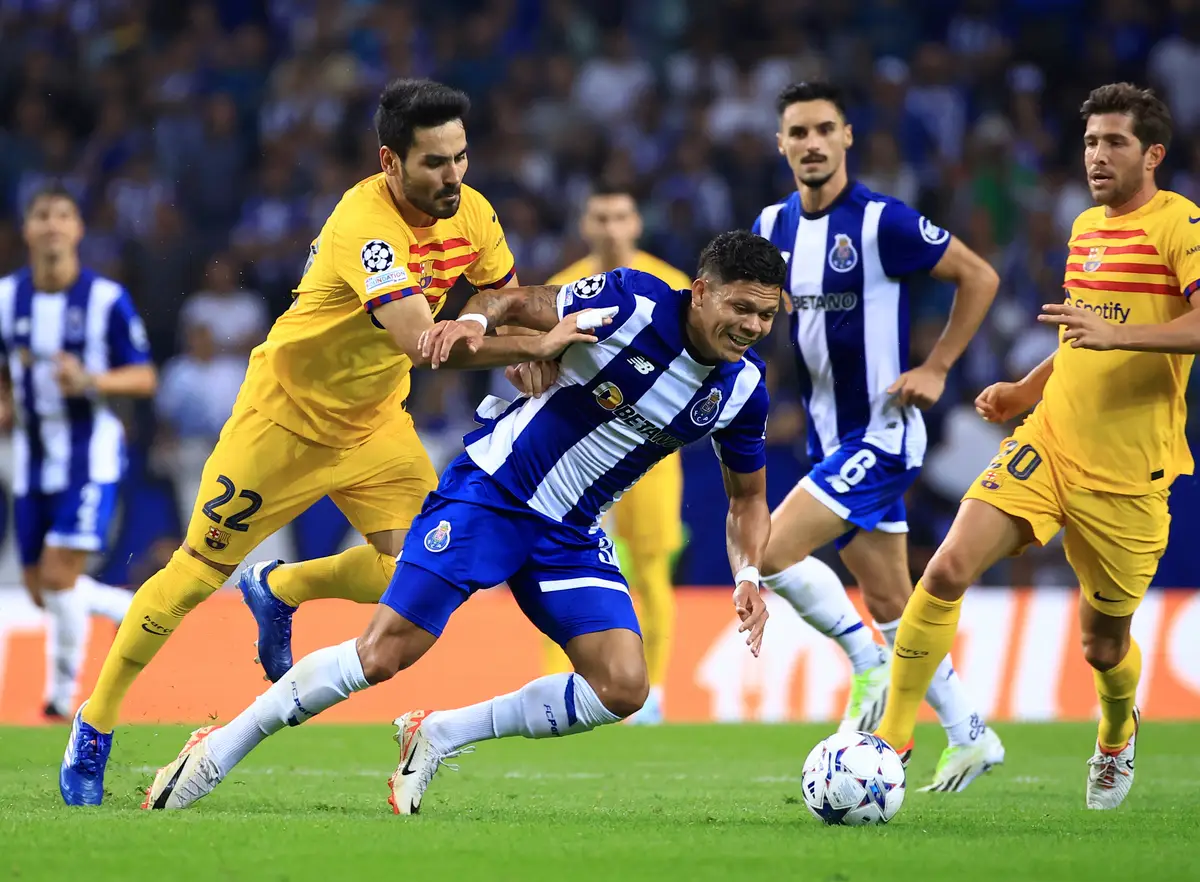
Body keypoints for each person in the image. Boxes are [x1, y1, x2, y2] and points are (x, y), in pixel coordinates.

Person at [59, 79, 583, 806]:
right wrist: (538, 342)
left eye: (461, 158)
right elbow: (421, 342)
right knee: (191, 577)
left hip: (373, 424)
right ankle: (96, 719)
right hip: (283, 424)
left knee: (415, 569)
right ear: (390, 162)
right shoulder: (363, 227)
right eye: (434, 163)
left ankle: (280, 588)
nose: (453, 177)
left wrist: (504, 329)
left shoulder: (476, 212)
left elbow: (499, 294)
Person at [142, 230, 782, 813]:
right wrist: (482, 321)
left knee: (621, 687)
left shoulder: (743, 391)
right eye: (741, 308)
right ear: (701, 292)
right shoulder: (632, 305)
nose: (752, 326)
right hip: (494, 494)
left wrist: (748, 571)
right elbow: (518, 300)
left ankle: (439, 734)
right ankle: (216, 749)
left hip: (571, 533)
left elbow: (747, 499)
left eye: (766, 315)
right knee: (384, 654)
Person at [877, 83, 1199, 810]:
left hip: (1129, 475)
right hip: (1050, 442)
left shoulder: (1183, 226)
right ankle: (891, 738)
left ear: (1153, 153)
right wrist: (1028, 387)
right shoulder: (1086, 227)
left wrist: (1124, 335)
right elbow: (1082, 334)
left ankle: (1116, 731)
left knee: (1102, 647)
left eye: (1114, 142)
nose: (1097, 156)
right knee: (949, 566)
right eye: (1090, 142)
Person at [752, 81, 1003, 791]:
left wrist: (937, 366)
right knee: (894, 602)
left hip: (884, 435)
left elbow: (977, 277)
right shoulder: (772, 227)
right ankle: (970, 734)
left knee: (767, 549)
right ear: (781, 144)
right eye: (797, 132)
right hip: (828, 441)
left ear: (847, 137)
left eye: (823, 129)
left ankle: (864, 666)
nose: (810, 143)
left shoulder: (882, 222)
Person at [0, 187, 153, 721]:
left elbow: (143, 375)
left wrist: (90, 380)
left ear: (78, 229)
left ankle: (63, 700)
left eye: (62, 216)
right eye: (41, 216)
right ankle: (122, 606)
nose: (52, 226)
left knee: (61, 577)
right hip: (31, 462)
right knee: (44, 590)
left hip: (90, 456)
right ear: (27, 230)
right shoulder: (5, 298)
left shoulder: (106, 300)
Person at [540, 184, 691, 725]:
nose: (610, 227)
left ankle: (653, 694)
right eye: (600, 216)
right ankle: (563, 686)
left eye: (620, 216)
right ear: (585, 224)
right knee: (555, 563)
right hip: (576, 449)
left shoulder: (672, 284)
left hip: (648, 447)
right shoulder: (563, 286)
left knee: (651, 570)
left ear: (636, 224)